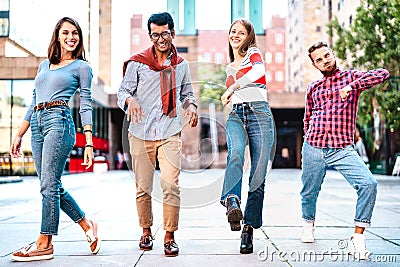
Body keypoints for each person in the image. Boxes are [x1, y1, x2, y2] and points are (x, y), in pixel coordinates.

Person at [9, 17, 101, 262]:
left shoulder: (81, 67)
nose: (71, 37)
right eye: (66, 33)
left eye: (75, 33)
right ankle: (86, 224)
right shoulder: (43, 65)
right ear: (57, 36)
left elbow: (86, 104)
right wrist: (20, 133)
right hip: (38, 124)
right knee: (51, 185)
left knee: (48, 185)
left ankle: (44, 241)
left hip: (59, 122)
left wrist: (89, 141)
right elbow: (33, 100)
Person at [117, 12, 198, 257]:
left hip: (170, 131)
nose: (160, 39)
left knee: (171, 185)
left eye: (164, 33)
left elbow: (187, 94)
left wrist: (191, 106)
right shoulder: (138, 63)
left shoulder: (181, 65)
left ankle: (170, 236)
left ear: (172, 33)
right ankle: (145, 231)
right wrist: (130, 100)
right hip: (140, 133)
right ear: (150, 35)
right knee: (143, 187)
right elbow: (123, 92)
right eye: (155, 34)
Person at [300, 41, 389, 260]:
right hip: (313, 145)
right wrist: (307, 139)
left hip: (342, 147)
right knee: (309, 191)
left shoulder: (351, 78)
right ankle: (308, 224)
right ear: (315, 65)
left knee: (368, 184)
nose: (325, 61)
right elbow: (307, 118)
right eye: (319, 60)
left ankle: (357, 238)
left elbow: (383, 74)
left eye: (326, 55)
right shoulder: (313, 88)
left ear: (333, 54)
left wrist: (352, 87)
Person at [220, 18, 275, 254]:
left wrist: (232, 88)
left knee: (258, 174)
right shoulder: (229, 65)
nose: (236, 35)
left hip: (260, 114)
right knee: (235, 154)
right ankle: (232, 201)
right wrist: (230, 95)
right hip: (236, 114)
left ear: (248, 36)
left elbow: (259, 71)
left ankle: (248, 229)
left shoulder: (254, 53)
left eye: (241, 32)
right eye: (233, 31)